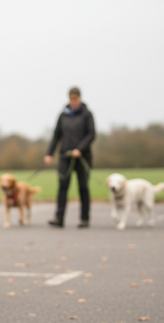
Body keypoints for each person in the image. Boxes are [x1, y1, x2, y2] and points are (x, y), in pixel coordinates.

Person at [44, 86, 96, 228]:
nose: (73, 101)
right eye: (71, 98)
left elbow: (91, 134)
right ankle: (59, 218)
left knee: (83, 187)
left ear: (80, 98)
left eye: (75, 98)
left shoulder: (87, 114)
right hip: (65, 156)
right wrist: (49, 153)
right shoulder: (63, 115)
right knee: (62, 187)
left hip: (83, 157)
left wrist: (80, 149)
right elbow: (56, 135)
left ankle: (84, 219)